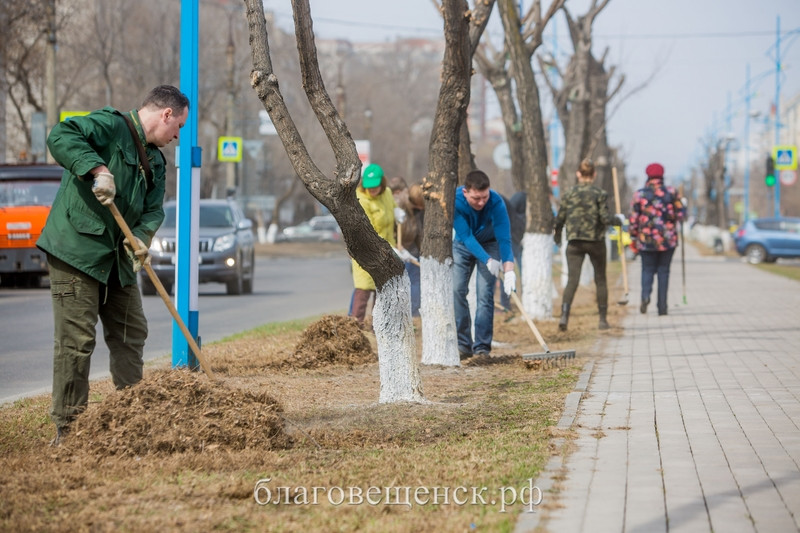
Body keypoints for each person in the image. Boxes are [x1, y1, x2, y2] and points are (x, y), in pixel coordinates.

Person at [37, 85, 190, 444]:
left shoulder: (154, 161)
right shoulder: (111, 125)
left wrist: (140, 237)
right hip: (76, 249)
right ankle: (70, 430)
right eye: (178, 127)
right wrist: (97, 169)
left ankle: (130, 416)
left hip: (116, 260)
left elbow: (154, 209)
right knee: (77, 342)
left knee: (131, 332)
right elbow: (61, 135)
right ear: (166, 115)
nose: (177, 136)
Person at [553, 158, 624, 331]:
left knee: (572, 280)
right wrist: (618, 220)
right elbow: (605, 219)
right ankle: (602, 320)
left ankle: (564, 317)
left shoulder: (569, 194)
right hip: (596, 242)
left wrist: (557, 237)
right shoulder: (599, 194)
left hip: (575, 242)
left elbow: (560, 218)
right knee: (600, 280)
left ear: (578, 174)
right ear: (594, 174)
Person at [453, 169, 516, 359]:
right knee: (457, 290)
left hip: (490, 245)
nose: (481, 202)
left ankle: (481, 348)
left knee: (485, 294)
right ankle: (463, 345)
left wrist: (509, 269)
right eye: (476, 198)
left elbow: (504, 239)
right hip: (464, 245)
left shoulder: (496, 202)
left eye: (484, 197)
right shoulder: (455, 200)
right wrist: (487, 260)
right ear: (466, 192)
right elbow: (466, 236)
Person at [348, 163, 408, 327]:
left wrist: (397, 212)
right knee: (363, 290)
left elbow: (391, 210)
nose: (372, 190)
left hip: (387, 249)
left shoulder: (387, 193)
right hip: (366, 251)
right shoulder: (361, 199)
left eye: (375, 186)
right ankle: (355, 330)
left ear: (382, 183)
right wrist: (390, 249)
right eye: (369, 186)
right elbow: (369, 230)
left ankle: (380, 327)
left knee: (382, 291)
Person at [628, 162, 686, 316]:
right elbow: (681, 215)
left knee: (647, 269)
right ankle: (662, 306)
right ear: (662, 175)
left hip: (646, 240)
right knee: (663, 271)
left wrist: (633, 235)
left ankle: (645, 295)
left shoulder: (639, 194)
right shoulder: (672, 192)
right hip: (667, 239)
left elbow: (634, 218)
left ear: (648, 175)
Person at [499, 191, 526, 312]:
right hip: (512, 237)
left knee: (510, 272)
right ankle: (508, 303)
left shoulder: (500, 200)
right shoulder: (517, 199)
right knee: (509, 272)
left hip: (514, 238)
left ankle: (509, 304)